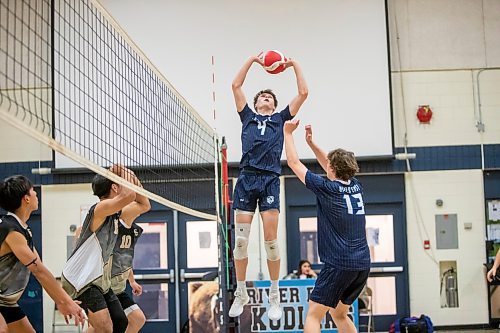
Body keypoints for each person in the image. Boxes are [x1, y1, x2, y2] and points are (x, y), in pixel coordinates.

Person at [229, 53, 308, 321]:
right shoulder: (247, 117)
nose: (265, 98)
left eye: (269, 97)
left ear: (273, 105)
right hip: (246, 179)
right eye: (262, 96)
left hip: (270, 180)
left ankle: (274, 295)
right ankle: (241, 292)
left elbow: (303, 92)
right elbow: (236, 86)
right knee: (240, 243)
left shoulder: (280, 119)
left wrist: (293, 64)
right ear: (255, 103)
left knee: (271, 243)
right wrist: (252, 60)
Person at [284, 121, 371, 333]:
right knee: (339, 313)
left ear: (331, 168)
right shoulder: (356, 186)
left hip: (340, 263)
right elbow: (331, 165)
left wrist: (287, 133)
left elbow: (293, 163)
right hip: (362, 264)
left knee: (314, 313)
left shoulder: (328, 188)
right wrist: (312, 144)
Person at [62, 165, 150, 333]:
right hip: (81, 279)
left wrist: (128, 174)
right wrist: (123, 172)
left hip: (98, 280)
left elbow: (144, 203)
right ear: (115, 187)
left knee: (121, 323)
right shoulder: (99, 209)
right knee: (104, 327)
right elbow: (130, 194)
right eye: (119, 183)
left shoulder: (117, 214)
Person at [0, 175, 85, 332]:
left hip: (6, 302)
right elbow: (38, 271)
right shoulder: (10, 230)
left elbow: (41, 268)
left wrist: (61, 300)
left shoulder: (23, 230)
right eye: (33, 191)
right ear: (26, 198)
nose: (36, 194)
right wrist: (65, 301)